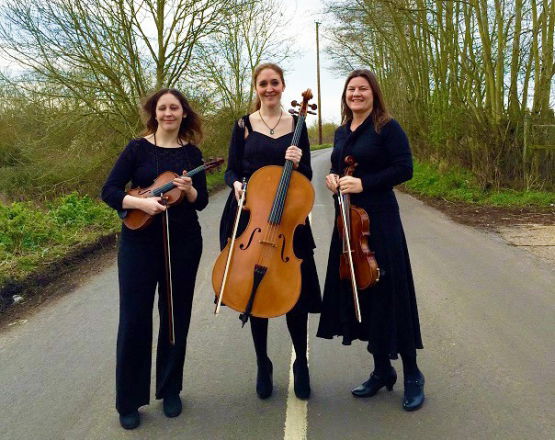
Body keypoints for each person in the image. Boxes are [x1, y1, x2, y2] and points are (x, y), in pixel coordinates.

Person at [316, 69, 425, 411]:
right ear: (345, 95)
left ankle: (412, 374)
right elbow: (337, 167)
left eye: (363, 88)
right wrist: (333, 179)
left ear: (374, 93)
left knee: (391, 294)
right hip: (349, 221)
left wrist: (365, 183)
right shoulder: (341, 132)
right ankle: (381, 371)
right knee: (363, 294)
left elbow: (404, 168)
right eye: (351, 89)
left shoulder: (387, 127)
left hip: (381, 221)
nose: (357, 93)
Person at [101, 88, 208, 429]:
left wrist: (189, 190)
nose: (168, 113)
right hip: (139, 242)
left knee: (175, 316)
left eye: (174, 108)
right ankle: (129, 401)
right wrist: (141, 203)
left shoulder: (192, 153)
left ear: (183, 113)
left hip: (183, 242)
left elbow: (202, 200)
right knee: (134, 318)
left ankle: (170, 388)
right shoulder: (137, 148)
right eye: (162, 108)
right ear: (154, 112)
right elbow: (110, 191)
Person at [218, 63, 321, 400]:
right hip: (251, 216)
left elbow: (306, 175)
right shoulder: (243, 125)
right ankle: (263, 362)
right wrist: (235, 183)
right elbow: (231, 169)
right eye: (263, 83)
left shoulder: (298, 124)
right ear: (256, 88)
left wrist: (299, 160)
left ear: (283, 85)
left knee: (296, 295)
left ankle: (301, 363)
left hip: (288, 220)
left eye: (274, 82)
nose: (269, 88)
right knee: (255, 290)